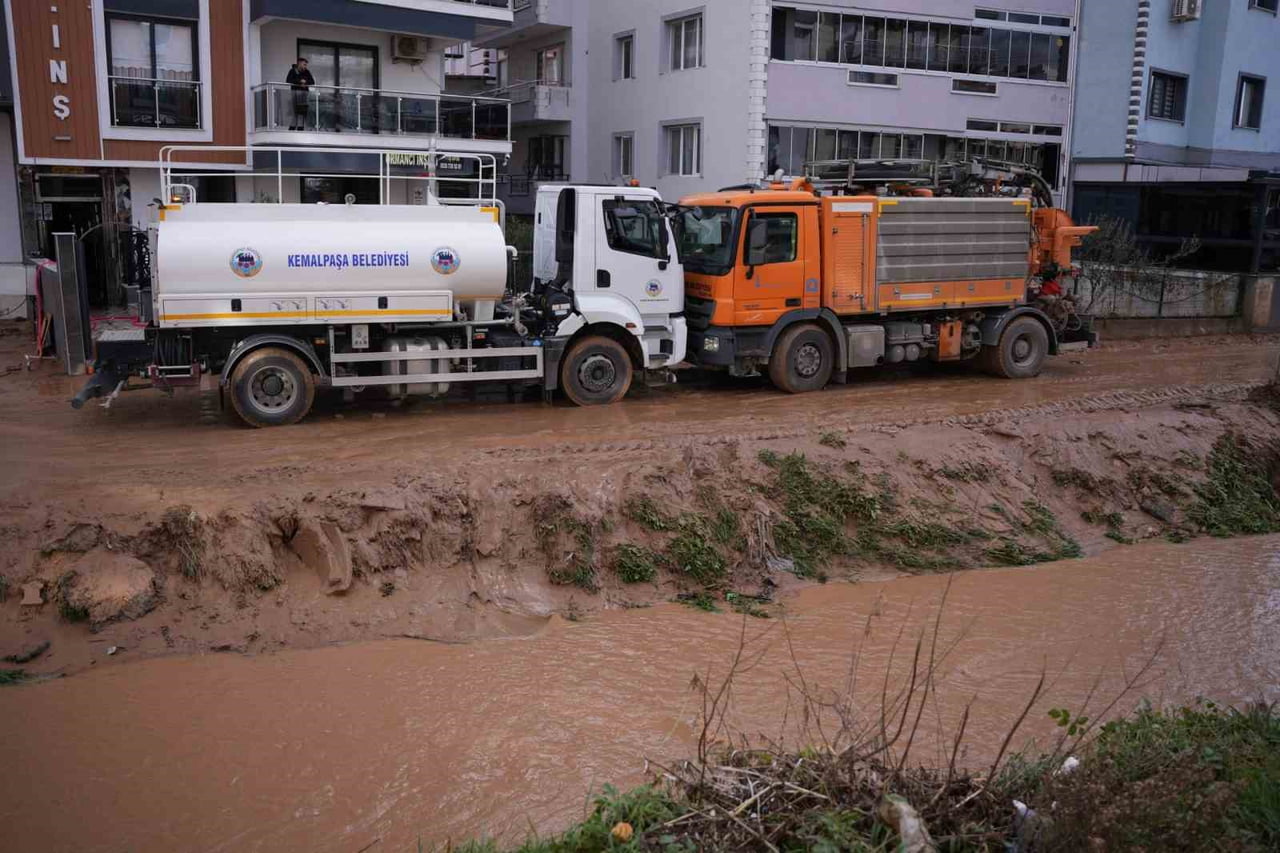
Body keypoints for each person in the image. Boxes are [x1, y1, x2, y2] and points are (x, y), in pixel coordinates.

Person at [286, 57, 314, 131]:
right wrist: (299, 81)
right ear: (299, 63)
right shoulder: (292, 71)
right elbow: (288, 80)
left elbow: (312, 81)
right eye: (304, 64)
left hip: (304, 95)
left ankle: (300, 129)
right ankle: (292, 129)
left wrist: (305, 82)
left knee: (302, 112)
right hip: (295, 94)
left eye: (306, 65)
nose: (305, 66)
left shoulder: (307, 72)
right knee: (295, 112)